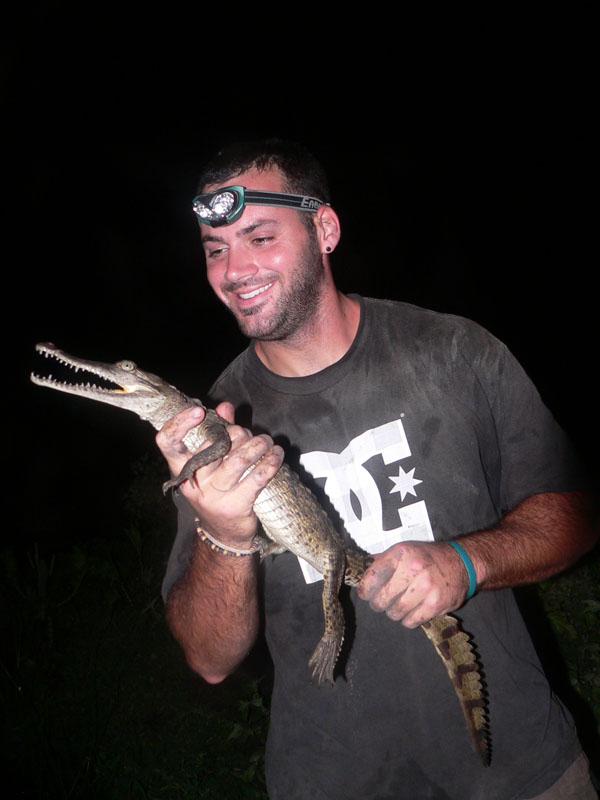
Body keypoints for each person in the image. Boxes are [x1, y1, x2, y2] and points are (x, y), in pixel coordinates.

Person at [157, 140, 597, 799]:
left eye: (259, 236)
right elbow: (210, 659)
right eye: (215, 248)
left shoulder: (454, 351)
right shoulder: (217, 425)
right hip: (331, 778)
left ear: (324, 229)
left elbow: (577, 516)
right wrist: (223, 530)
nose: (234, 269)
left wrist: (466, 562)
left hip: (523, 771)